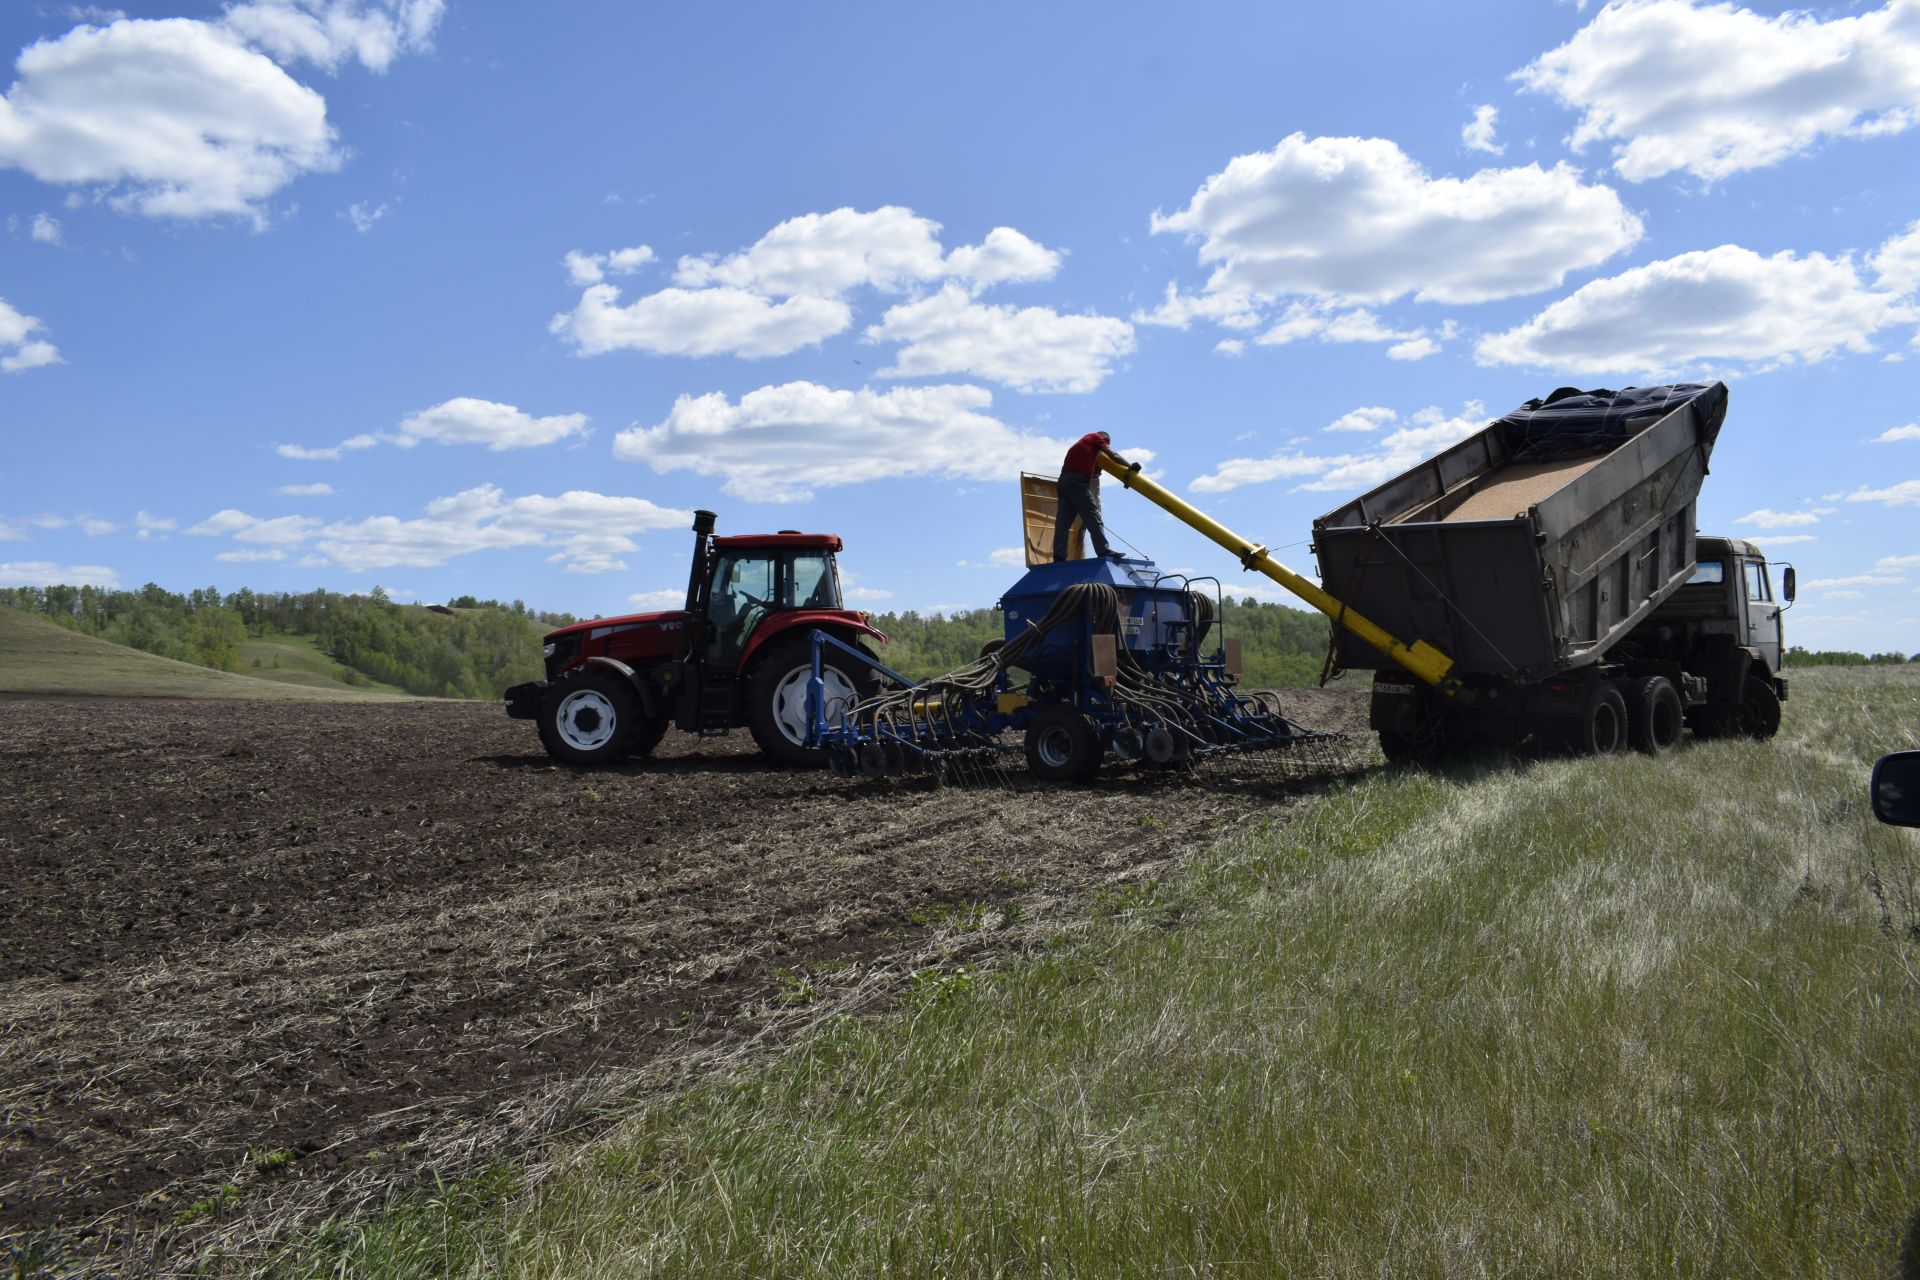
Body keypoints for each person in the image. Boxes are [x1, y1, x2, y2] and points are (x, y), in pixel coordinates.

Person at [1053, 430, 1125, 562]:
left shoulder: (1083, 444)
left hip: (1063, 481)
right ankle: (1103, 550)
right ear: (1105, 441)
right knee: (1093, 515)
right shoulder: (1097, 438)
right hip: (1076, 481)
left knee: (1063, 522)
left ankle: (1059, 556)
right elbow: (1114, 455)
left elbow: (1091, 473)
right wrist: (1130, 466)